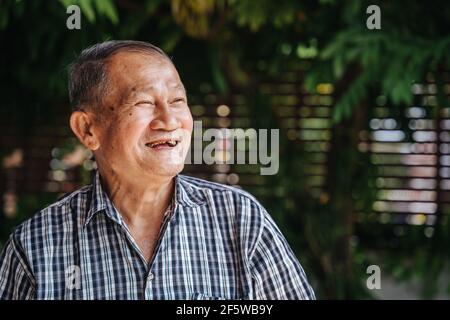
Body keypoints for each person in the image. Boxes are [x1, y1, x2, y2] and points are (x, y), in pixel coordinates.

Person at [0, 40, 315, 300]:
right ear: (87, 129)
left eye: (178, 100)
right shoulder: (36, 247)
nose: (170, 120)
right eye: (143, 103)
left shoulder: (241, 220)